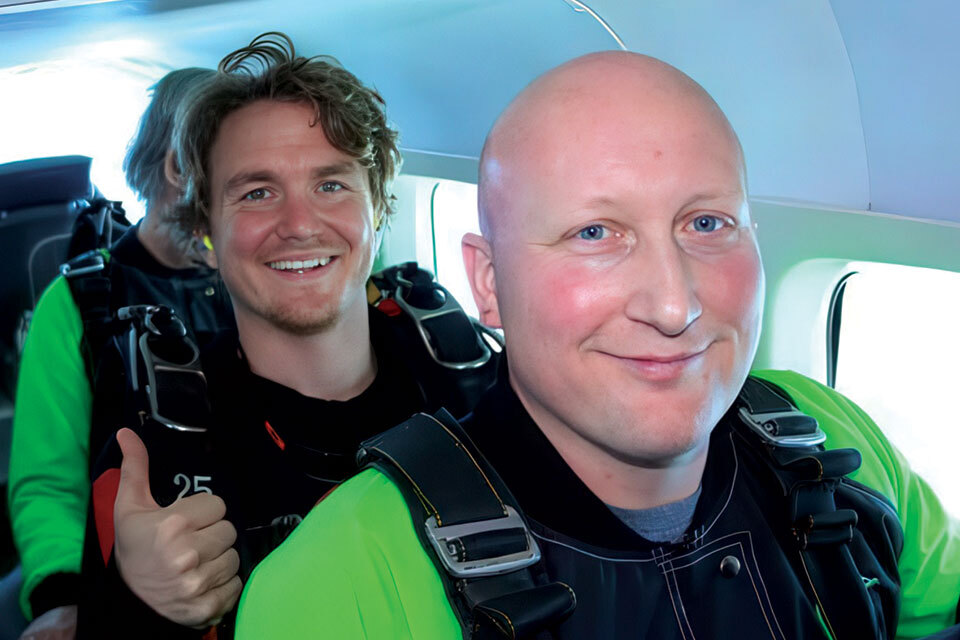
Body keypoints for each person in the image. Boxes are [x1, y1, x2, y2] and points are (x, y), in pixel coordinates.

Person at [234, 51, 960, 639]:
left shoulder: (839, 438)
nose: (674, 304)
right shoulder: (344, 580)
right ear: (488, 284)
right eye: (594, 234)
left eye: (707, 224)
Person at [76, 32, 496, 639]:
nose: (299, 225)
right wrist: (140, 602)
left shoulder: (477, 391)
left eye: (331, 184)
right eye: (257, 192)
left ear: (377, 208)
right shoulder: (156, 457)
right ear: (207, 232)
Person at [7, 67, 234, 639]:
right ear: (177, 168)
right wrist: (59, 597)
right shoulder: (78, 301)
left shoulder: (251, 282)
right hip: (121, 581)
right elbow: (48, 478)